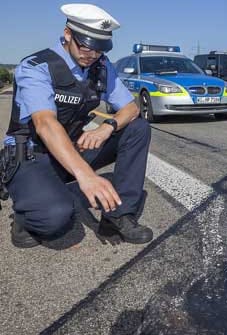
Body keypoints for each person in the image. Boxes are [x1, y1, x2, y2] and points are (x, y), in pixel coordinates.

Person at [4, 3, 153, 248]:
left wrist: (107, 126)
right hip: (33, 154)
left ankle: (118, 216)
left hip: (70, 149)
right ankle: (25, 215)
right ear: (67, 34)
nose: (91, 54)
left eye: (99, 48)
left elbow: (131, 108)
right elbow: (45, 123)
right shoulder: (36, 67)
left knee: (137, 128)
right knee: (55, 218)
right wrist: (86, 176)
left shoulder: (101, 68)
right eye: (85, 45)